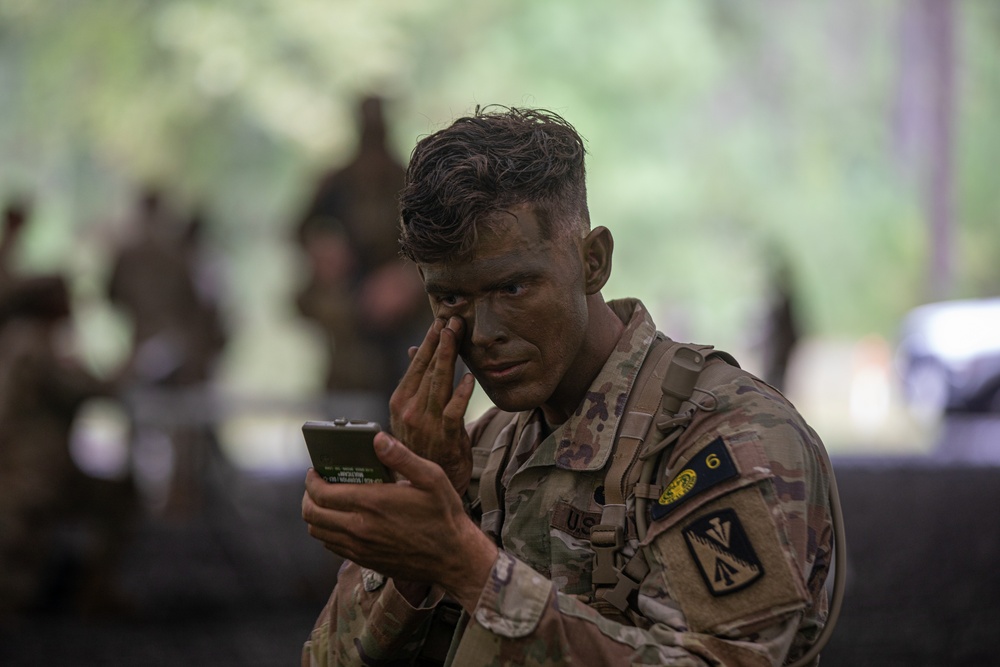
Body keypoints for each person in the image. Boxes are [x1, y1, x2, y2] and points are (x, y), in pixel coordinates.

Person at [300, 107, 834, 666]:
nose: (483, 335)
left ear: (593, 263)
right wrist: (418, 539)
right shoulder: (479, 451)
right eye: (451, 299)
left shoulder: (724, 439)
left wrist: (465, 563)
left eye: (512, 288)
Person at [294, 95, 430, 402]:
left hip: (406, 330)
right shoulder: (336, 184)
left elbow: (446, 247)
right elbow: (302, 232)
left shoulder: (411, 181)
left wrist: (407, 280)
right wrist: (323, 248)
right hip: (351, 330)